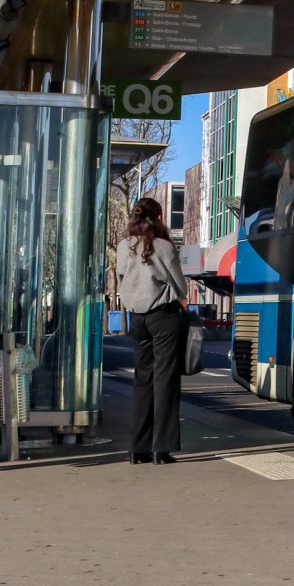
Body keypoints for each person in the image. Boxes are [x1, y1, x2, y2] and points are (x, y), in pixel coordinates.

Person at [116, 196, 189, 464]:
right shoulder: (164, 246)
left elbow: (121, 278)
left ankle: (138, 449)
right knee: (165, 380)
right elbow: (178, 283)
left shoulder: (124, 245)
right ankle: (162, 448)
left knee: (143, 380)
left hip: (137, 318)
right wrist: (182, 298)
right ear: (159, 218)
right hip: (163, 315)